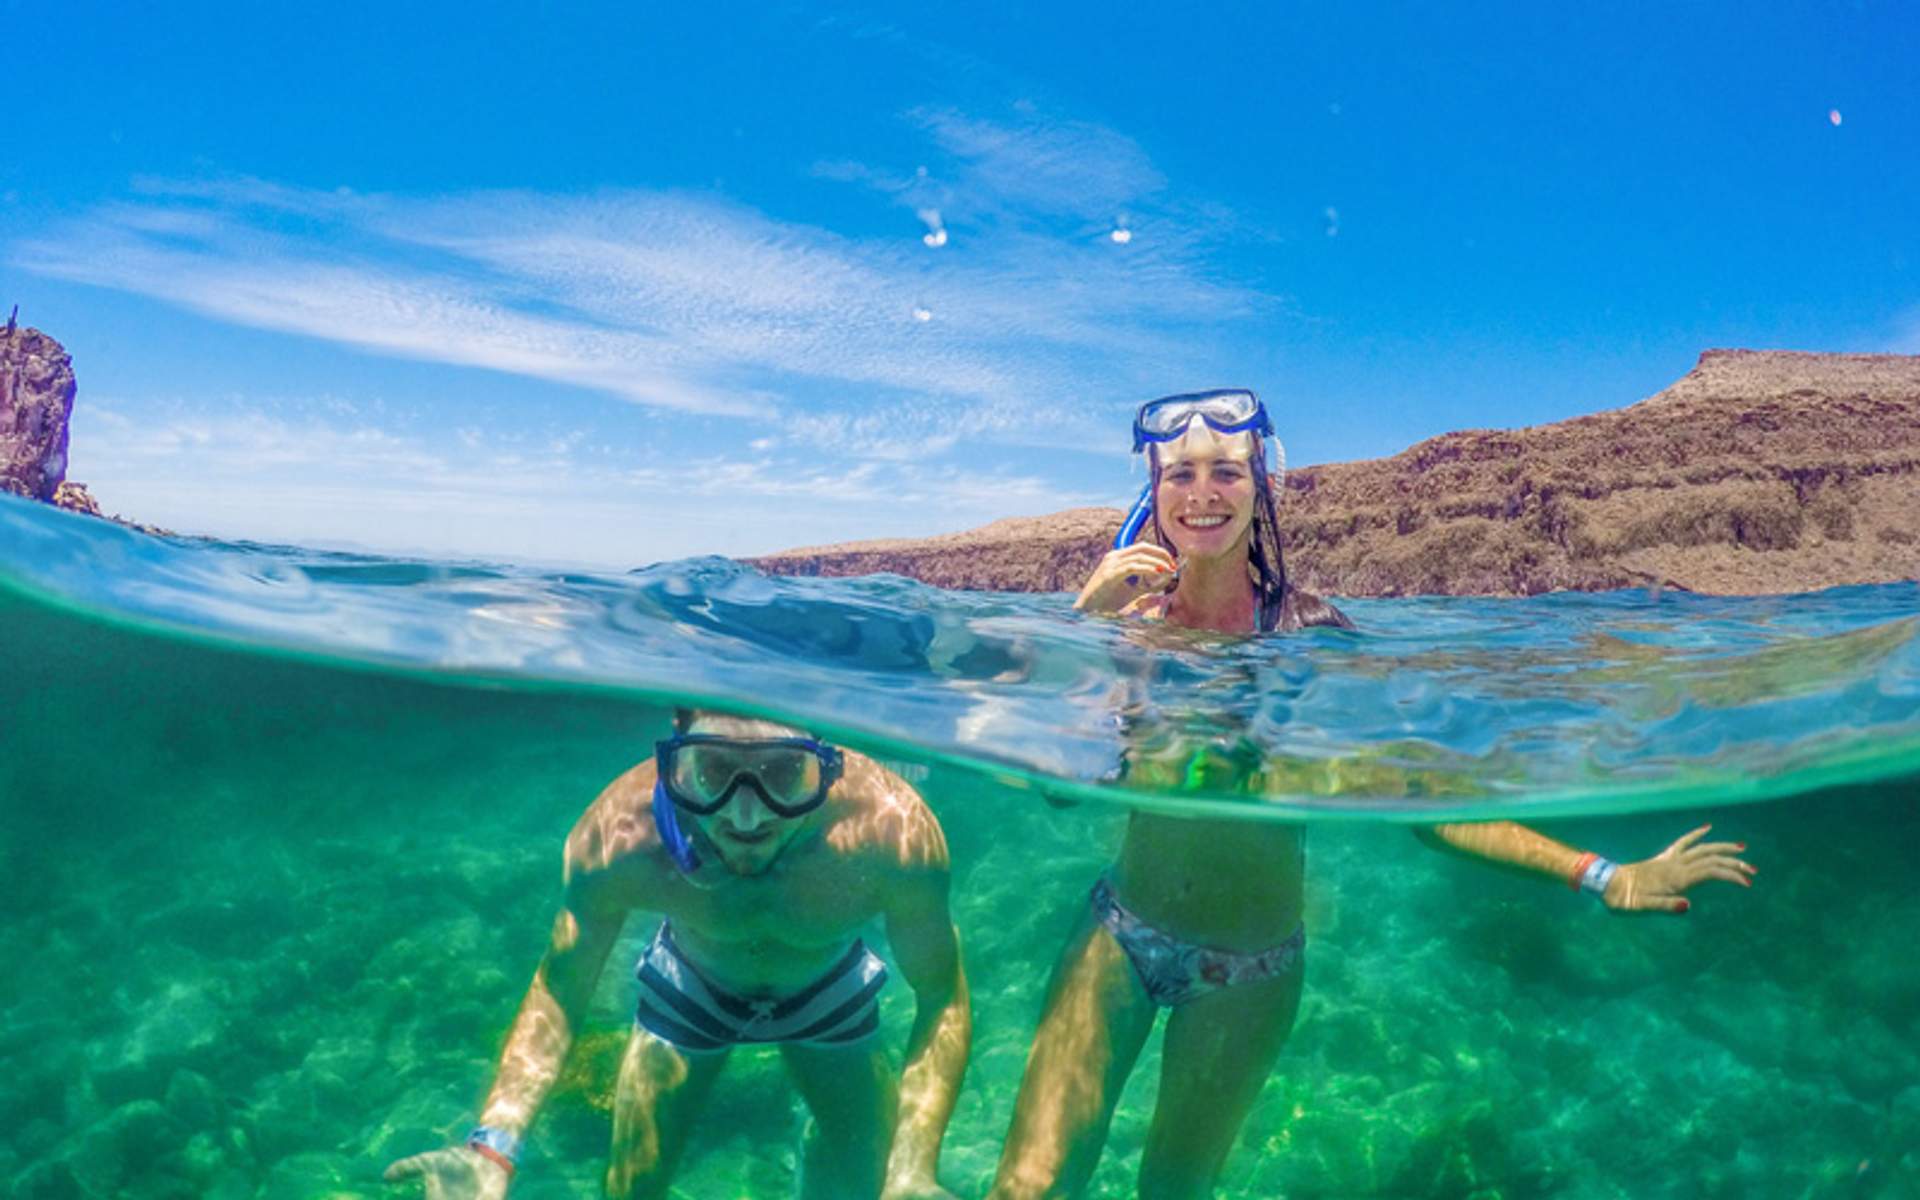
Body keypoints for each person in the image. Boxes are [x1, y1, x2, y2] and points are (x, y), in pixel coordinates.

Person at [989, 389, 1756, 1200]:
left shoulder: (1315, 640)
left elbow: (1423, 804)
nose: (1203, 493)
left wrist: (1604, 874)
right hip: (1119, 934)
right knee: (1026, 1188)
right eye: (1180, 473)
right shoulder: (1125, 631)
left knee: (1172, 1191)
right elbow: (1038, 786)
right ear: (1154, 494)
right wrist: (1079, 627)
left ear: (1261, 489)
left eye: (1226, 471)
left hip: (1248, 972)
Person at [384, 708, 970, 1200]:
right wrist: (493, 1147)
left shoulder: (893, 835)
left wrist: (914, 1170)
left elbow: (942, 994)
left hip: (828, 992)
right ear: (677, 762)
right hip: (690, 990)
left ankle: (821, 1144)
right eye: (714, 771)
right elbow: (561, 991)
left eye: (783, 773)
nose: (747, 816)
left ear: (826, 760)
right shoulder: (620, 837)